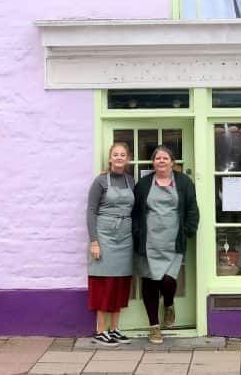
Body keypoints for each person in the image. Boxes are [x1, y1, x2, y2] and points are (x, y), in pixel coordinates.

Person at [132, 145, 199, 345]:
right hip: (149, 241)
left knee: (168, 281)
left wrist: (188, 230)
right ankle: (154, 327)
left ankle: (169, 303)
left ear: (172, 162)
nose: (161, 161)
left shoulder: (184, 182)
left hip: (173, 240)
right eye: (157, 158)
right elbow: (135, 212)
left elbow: (192, 208)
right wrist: (136, 232)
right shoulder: (143, 184)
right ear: (153, 163)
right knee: (150, 283)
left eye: (165, 158)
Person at [86, 141, 135, 345]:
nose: (119, 158)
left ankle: (114, 328)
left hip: (125, 237)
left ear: (128, 158)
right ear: (109, 158)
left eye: (122, 154)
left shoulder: (130, 181)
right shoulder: (100, 182)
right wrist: (94, 241)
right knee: (104, 283)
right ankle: (100, 330)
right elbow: (91, 211)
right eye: (115, 154)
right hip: (105, 237)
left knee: (120, 283)